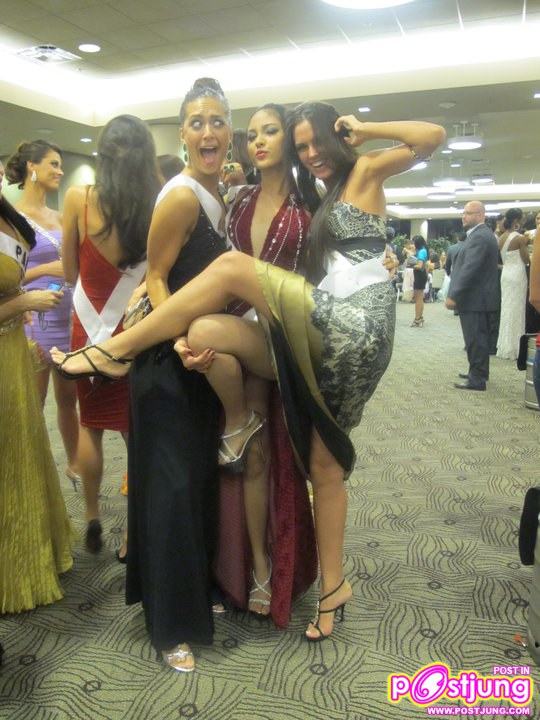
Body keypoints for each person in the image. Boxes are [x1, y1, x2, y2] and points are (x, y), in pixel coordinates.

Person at [52, 103, 445, 641]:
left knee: (233, 270)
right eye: (301, 145)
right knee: (323, 463)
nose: (311, 153)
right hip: (309, 330)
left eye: (311, 141)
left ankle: (115, 350)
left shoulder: (361, 172)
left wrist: (364, 128)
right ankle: (333, 587)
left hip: (355, 324)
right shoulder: (292, 196)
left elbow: (431, 134)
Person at [177, 103, 317, 623]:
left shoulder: (310, 203)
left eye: (270, 131)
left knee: (278, 452)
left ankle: (268, 563)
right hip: (241, 332)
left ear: (289, 139)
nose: (258, 141)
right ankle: (257, 564)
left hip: (285, 334)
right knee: (254, 451)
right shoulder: (237, 199)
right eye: (252, 133)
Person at [123, 78, 231, 674]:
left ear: (229, 131)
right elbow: (157, 277)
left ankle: (189, 591)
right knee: (171, 491)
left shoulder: (217, 195)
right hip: (168, 362)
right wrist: (178, 340)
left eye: (217, 121)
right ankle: (169, 627)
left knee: (194, 484)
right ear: (183, 133)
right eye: (196, 122)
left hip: (200, 361)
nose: (208, 132)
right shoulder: (182, 196)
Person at [61, 115, 160, 554]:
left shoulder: (78, 199)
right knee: (136, 432)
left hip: (87, 330)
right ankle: (135, 531)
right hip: (135, 330)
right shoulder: (158, 202)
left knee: (91, 425)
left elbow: (70, 273)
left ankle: (91, 515)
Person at [0, 192, 73, 613]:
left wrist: (17, 312)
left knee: (22, 451)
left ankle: (31, 554)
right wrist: (24, 301)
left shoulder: (8, 217)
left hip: (12, 350)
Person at [5, 140, 80, 487]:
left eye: (61, 165)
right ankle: (33, 473)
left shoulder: (62, 216)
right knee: (34, 403)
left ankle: (75, 463)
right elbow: (8, 277)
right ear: (32, 167)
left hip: (66, 316)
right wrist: (46, 269)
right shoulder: (12, 219)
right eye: (53, 164)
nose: (60, 171)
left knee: (68, 399)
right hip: (33, 318)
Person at [446, 201, 500, 391]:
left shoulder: (480, 236)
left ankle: (477, 379)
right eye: (464, 213)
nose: (464, 216)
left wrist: (454, 294)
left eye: (468, 213)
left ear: (480, 215)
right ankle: (477, 372)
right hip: (478, 297)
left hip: (476, 298)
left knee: (475, 339)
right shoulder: (480, 234)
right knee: (477, 338)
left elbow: (470, 268)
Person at [496, 208, 529, 360]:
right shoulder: (520, 238)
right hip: (517, 274)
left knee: (507, 308)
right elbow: (526, 260)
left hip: (506, 274)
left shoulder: (501, 237)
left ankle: (505, 345)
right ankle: (516, 347)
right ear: (516, 220)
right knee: (517, 309)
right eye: (522, 218)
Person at [411, 235, 429, 326]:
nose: (412, 244)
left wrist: (411, 265)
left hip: (419, 275)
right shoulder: (424, 250)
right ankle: (420, 317)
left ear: (417, 243)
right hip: (422, 275)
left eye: (413, 242)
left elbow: (420, 265)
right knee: (420, 298)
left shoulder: (421, 251)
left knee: (418, 298)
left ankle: (417, 319)